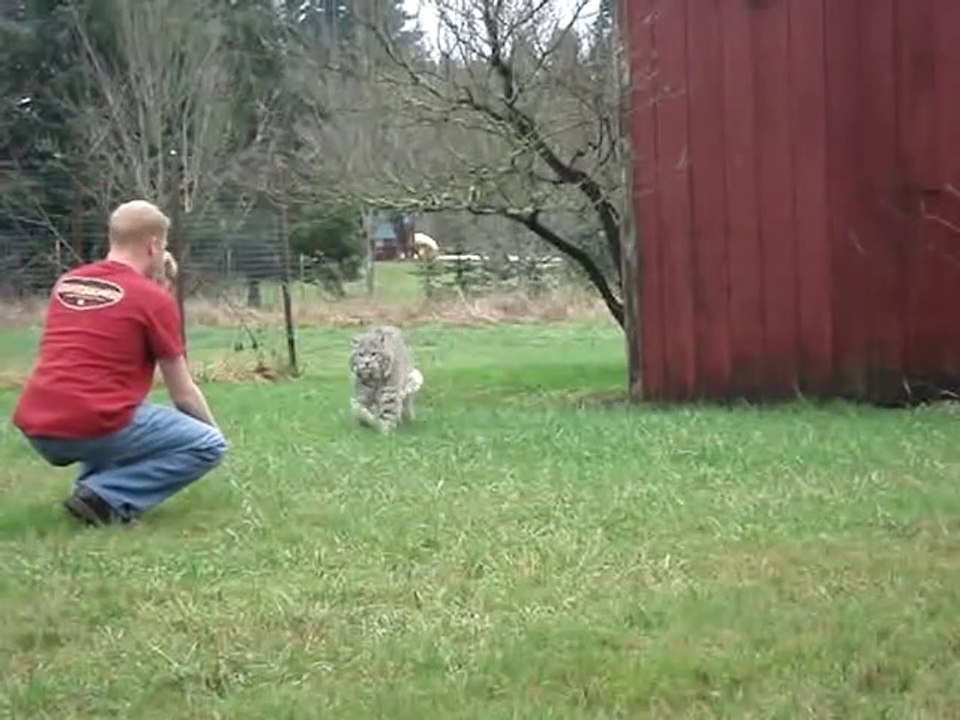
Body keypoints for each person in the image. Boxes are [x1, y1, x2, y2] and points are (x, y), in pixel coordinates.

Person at [11, 199, 228, 527]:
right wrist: (214, 436)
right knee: (206, 444)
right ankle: (106, 497)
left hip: (37, 424)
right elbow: (182, 393)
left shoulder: (68, 283)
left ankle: (90, 495)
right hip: (91, 421)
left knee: (122, 413)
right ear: (154, 245)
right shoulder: (153, 299)